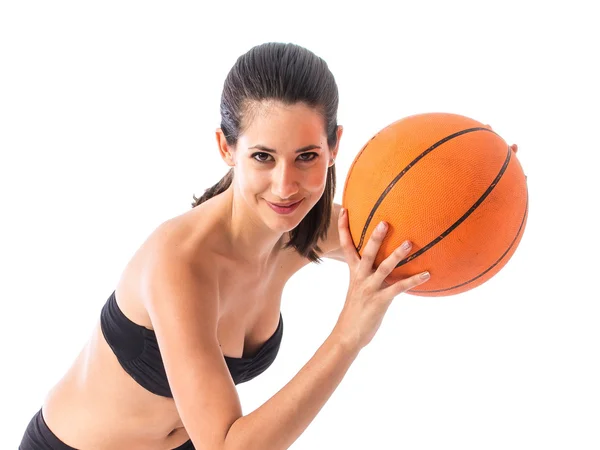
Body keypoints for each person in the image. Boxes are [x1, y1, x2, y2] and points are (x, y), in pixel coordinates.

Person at [19, 42, 430, 450]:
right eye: (263, 157)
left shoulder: (307, 232)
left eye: (306, 156)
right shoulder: (179, 260)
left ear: (334, 146)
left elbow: (416, 245)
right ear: (226, 148)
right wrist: (348, 336)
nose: (285, 186)